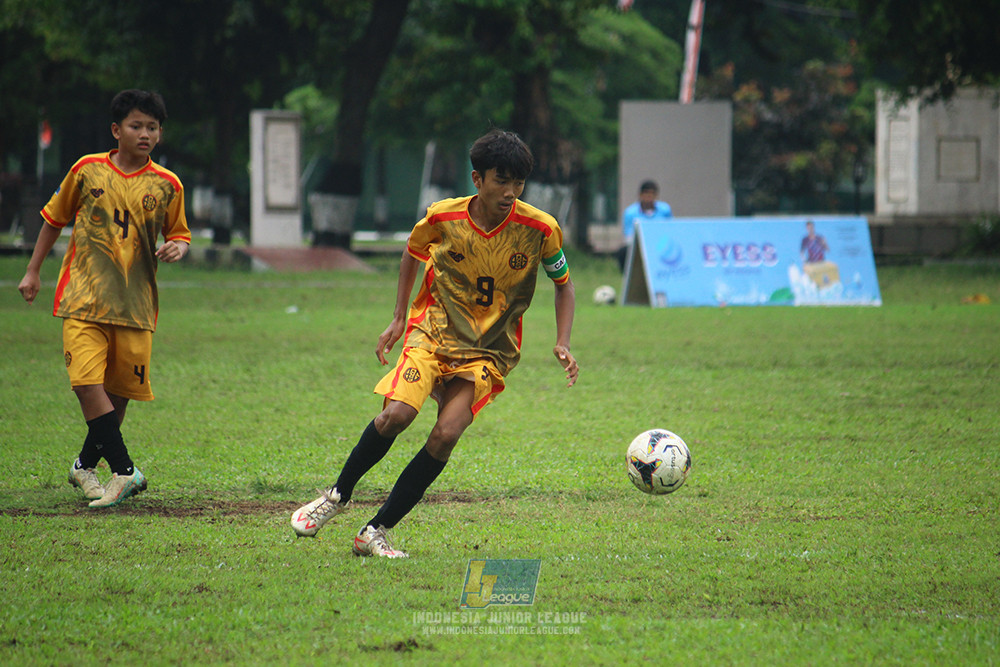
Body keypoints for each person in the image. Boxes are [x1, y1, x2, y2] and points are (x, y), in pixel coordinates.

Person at [291, 128, 579, 558]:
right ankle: (334, 496)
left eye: (518, 183)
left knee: (446, 433)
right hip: (433, 335)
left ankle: (375, 531)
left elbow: (564, 285)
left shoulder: (540, 228)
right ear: (477, 179)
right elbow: (412, 252)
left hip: (487, 353)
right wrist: (398, 317)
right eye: (501, 180)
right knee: (396, 416)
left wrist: (562, 341)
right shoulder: (443, 217)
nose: (510, 192)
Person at [17, 89, 191, 508]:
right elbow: (52, 219)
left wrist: (178, 248)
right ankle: (126, 470)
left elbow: (180, 234)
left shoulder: (167, 185)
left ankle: (85, 466)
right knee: (86, 384)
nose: (145, 134)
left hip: (135, 305)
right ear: (117, 130)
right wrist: (32, 270)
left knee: (118, 394)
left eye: (152, 127)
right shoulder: (86, 171)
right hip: (82, 298)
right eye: (136, 126)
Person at [619, 179, 672, 270]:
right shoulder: (630, 212)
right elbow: (628, 236)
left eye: (652, 194)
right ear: (640, 195)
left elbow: (670, 229)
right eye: (646, 194)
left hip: (660, 243)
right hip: (639, 245)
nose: (649, 197)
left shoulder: (664, 210)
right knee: (623, 252)